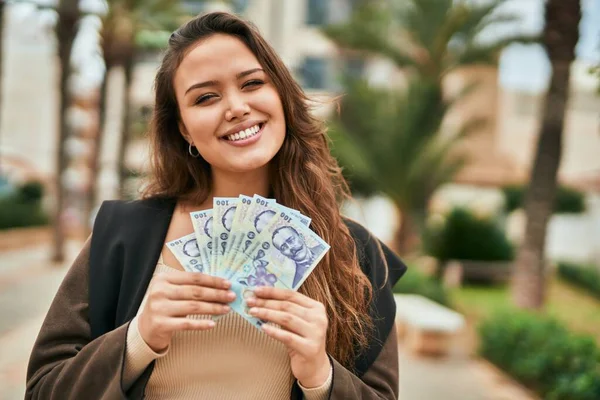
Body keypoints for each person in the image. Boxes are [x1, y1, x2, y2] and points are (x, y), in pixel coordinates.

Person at [26, 11, 406, 400]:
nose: (236, 107)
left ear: (281, 96)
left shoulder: (354, 254)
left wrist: (320, 376)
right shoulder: (122, 236)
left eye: (253, 83)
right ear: (184, 128)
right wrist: (137, 340)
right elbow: (43, 389)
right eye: (206, 97)